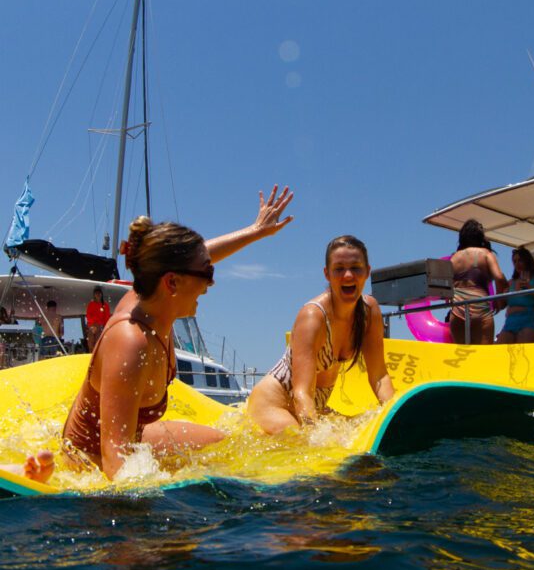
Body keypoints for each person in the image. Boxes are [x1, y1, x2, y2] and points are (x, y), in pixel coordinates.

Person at [61, 185, 293, 480]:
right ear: (172, 283)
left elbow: (199, 255)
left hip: (139, 438)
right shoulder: (131, 341)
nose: (211, 283)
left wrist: (256, 230)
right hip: (88, 464)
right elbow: (114, 461)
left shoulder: (153, 297)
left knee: (234, 449)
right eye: (207, 275)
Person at [247, 235, 395, 435]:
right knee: (302, 444)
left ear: (367, 271)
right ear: (327, 274)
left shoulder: (369, 311)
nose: (348, 275)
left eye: (356, 267)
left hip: (314, 408)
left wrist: (392, 414)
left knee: (364, 427)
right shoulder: (313, 316)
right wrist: (315, 437)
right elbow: (301, 393)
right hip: (274, 405)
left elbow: (379, 376)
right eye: (339, 268)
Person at [449, 219, 508, 345]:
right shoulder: (486, 254)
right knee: (483, 358)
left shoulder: (454, 257)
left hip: (457, 311)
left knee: (462, 359)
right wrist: (499, 299)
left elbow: (444, 283)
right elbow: (499, 277)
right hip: (481, 311)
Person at [497, 247, 534, 344]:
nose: (517, 264)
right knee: (501, 352)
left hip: (531, 320)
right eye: (515, 261)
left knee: (525, 354)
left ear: (527, 261)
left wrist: (531, 289)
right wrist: (500, 287)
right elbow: (500, 306)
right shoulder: (510, 283)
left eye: (520, 260)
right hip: (510, 322)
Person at [85, 287, 111, 352]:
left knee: (98, 344)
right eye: (96, 293)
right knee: (91, 343)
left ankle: (97, 356)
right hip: (92, 326)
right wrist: (93, 325)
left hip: (100, 327)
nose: (98, 295)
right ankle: (91, 356)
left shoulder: (105, 305)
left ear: (101, 294)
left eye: (99, 293)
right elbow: (88, 316)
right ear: (94, 295)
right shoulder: (91, 304)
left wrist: (105, 328)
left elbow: (106, 318)